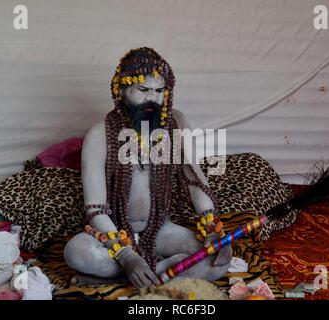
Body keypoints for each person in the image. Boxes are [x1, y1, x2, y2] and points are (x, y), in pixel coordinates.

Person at [64, 47, 232, 288]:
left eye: (159, 91)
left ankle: (128, 278)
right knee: (76, 252)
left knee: (219, 260)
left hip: (161, 229)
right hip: (113, 233)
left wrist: (213, 229)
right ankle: (162, 271)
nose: (152, 99)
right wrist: (127, 256)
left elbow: (195, 181)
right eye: (142, 90)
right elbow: (95, 210)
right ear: (121, 91)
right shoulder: (99, 135)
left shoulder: (177, 123)